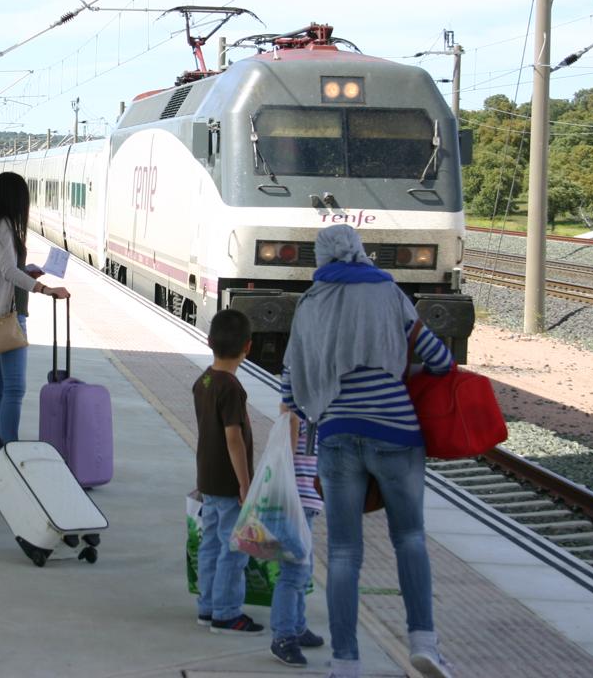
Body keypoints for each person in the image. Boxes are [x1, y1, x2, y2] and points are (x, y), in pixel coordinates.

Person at [280, 225, 455, 678]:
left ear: (321, 258)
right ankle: (424, 644)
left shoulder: (310, 303)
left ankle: (346, 663)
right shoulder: (388, 291)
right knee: (410, 538)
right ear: (359, 251)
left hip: (336, 434)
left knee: (342, 553)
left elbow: (292, 384)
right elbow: (439, 359)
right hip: (396, 431)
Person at [0, 172, 69, 458]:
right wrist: (45, 288)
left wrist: (27, 273)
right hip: (7, 317)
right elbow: (8, 271)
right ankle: (8, 452)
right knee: (14, 388)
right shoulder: (4, 226)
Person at [193, 309, 263, 635]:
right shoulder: (231, 387)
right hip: (228, 482)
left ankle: (207, 607)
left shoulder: (204, 380)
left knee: (210, 544)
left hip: (207, 477)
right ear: (247, 347)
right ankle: (226, 612)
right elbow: (233, 438)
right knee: (233, 548)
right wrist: (245, 484)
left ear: (209, 342)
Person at [267, 417, 326, 666]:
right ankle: (283, 637)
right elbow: (286, 458)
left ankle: (298, 626)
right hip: (294, 504)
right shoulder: (297, 413)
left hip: (308, 503)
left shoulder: (319, 411)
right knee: (293, 572)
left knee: (304, 570)